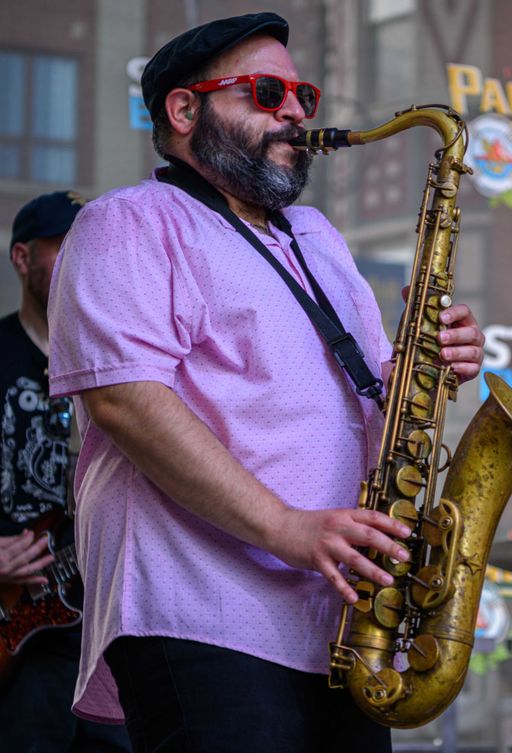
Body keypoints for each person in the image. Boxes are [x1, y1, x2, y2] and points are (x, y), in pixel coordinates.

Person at [46, 12, 484, 753]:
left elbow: (375, 396)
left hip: (342, 625)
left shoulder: (315, 234)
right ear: (185, 110)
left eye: (302, 95)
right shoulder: (131, 221)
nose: (294, 112)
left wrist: (432, 369)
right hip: (206, 612)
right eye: (266, 91)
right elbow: (125, 399)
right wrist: (288, 526)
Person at [0, 191, 131, 752]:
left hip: (110, 627)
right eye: (63, 246)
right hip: (24, 626)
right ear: (23, 259)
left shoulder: (126, 358)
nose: (82, 258)